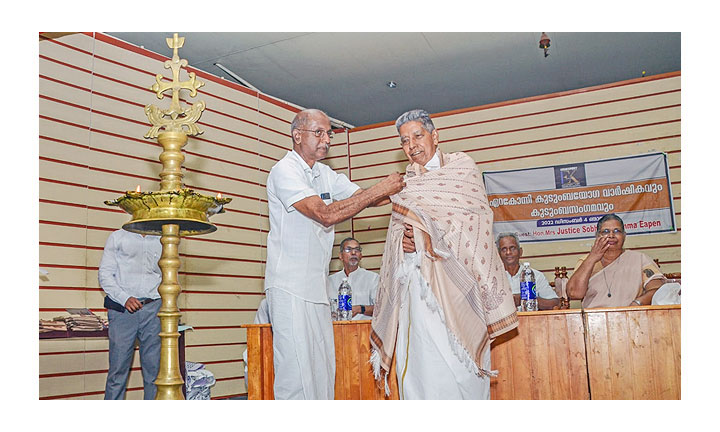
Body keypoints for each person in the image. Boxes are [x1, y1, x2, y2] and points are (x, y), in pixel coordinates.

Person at [370, 109, 518, 399]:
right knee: (423, 367)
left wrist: (426, 236)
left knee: (463, 368)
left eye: (417, 136)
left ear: (434, 136)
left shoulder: (462, 168)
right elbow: (396, 233)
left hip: (460, 286)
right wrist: (405, 242)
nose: (411, 145)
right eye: (404, 141)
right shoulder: (404, 185)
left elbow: (475, 222)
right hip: (420, 290)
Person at [264, 108, 405, 400]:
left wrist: (408, 185)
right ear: (297, 135)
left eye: (329, 133)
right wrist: (380, 189)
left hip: (316, 289)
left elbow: (365, 198)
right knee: (295, 374)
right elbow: (325, 215)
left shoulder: (324, 174)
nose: (327, 139)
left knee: (322, 370)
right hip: (289, 287)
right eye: (319, 132)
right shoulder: (284, 171)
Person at [98, 228, 162, 400]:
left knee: (154, 371)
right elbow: (104, 274)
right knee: (118, 371)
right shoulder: (118, 237)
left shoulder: (162, 239)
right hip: (123, 310)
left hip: (154, 308)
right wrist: (124, 298)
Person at [566, 213, 665, 308]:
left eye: (617, 231)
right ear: (597, 236)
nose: (611, 235)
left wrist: (637, 303)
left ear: (624, 235)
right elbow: (574, 293)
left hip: (632, 317)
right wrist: (592, 258)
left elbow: (658, 289)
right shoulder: (586, 261)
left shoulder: (639, 259)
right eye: (605, 232)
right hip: (594, 320)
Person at [496, 232, 561, 310]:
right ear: (498, 254)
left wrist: (525, 298)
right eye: (504, 249)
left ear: (520, 252)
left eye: (512, 248)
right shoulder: (492, 278)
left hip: (531, 321)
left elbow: (555, 302)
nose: (508, 252)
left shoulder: (536, 276)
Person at [327, 237, 379, 320]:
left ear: (361, 256)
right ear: (340, 256)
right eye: (348, 249)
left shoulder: (373, 278)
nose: (353, 252)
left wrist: (360, 309)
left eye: (357, 249)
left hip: (364, 330)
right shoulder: (330, 281)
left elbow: (381, 309)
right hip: (336, 330)